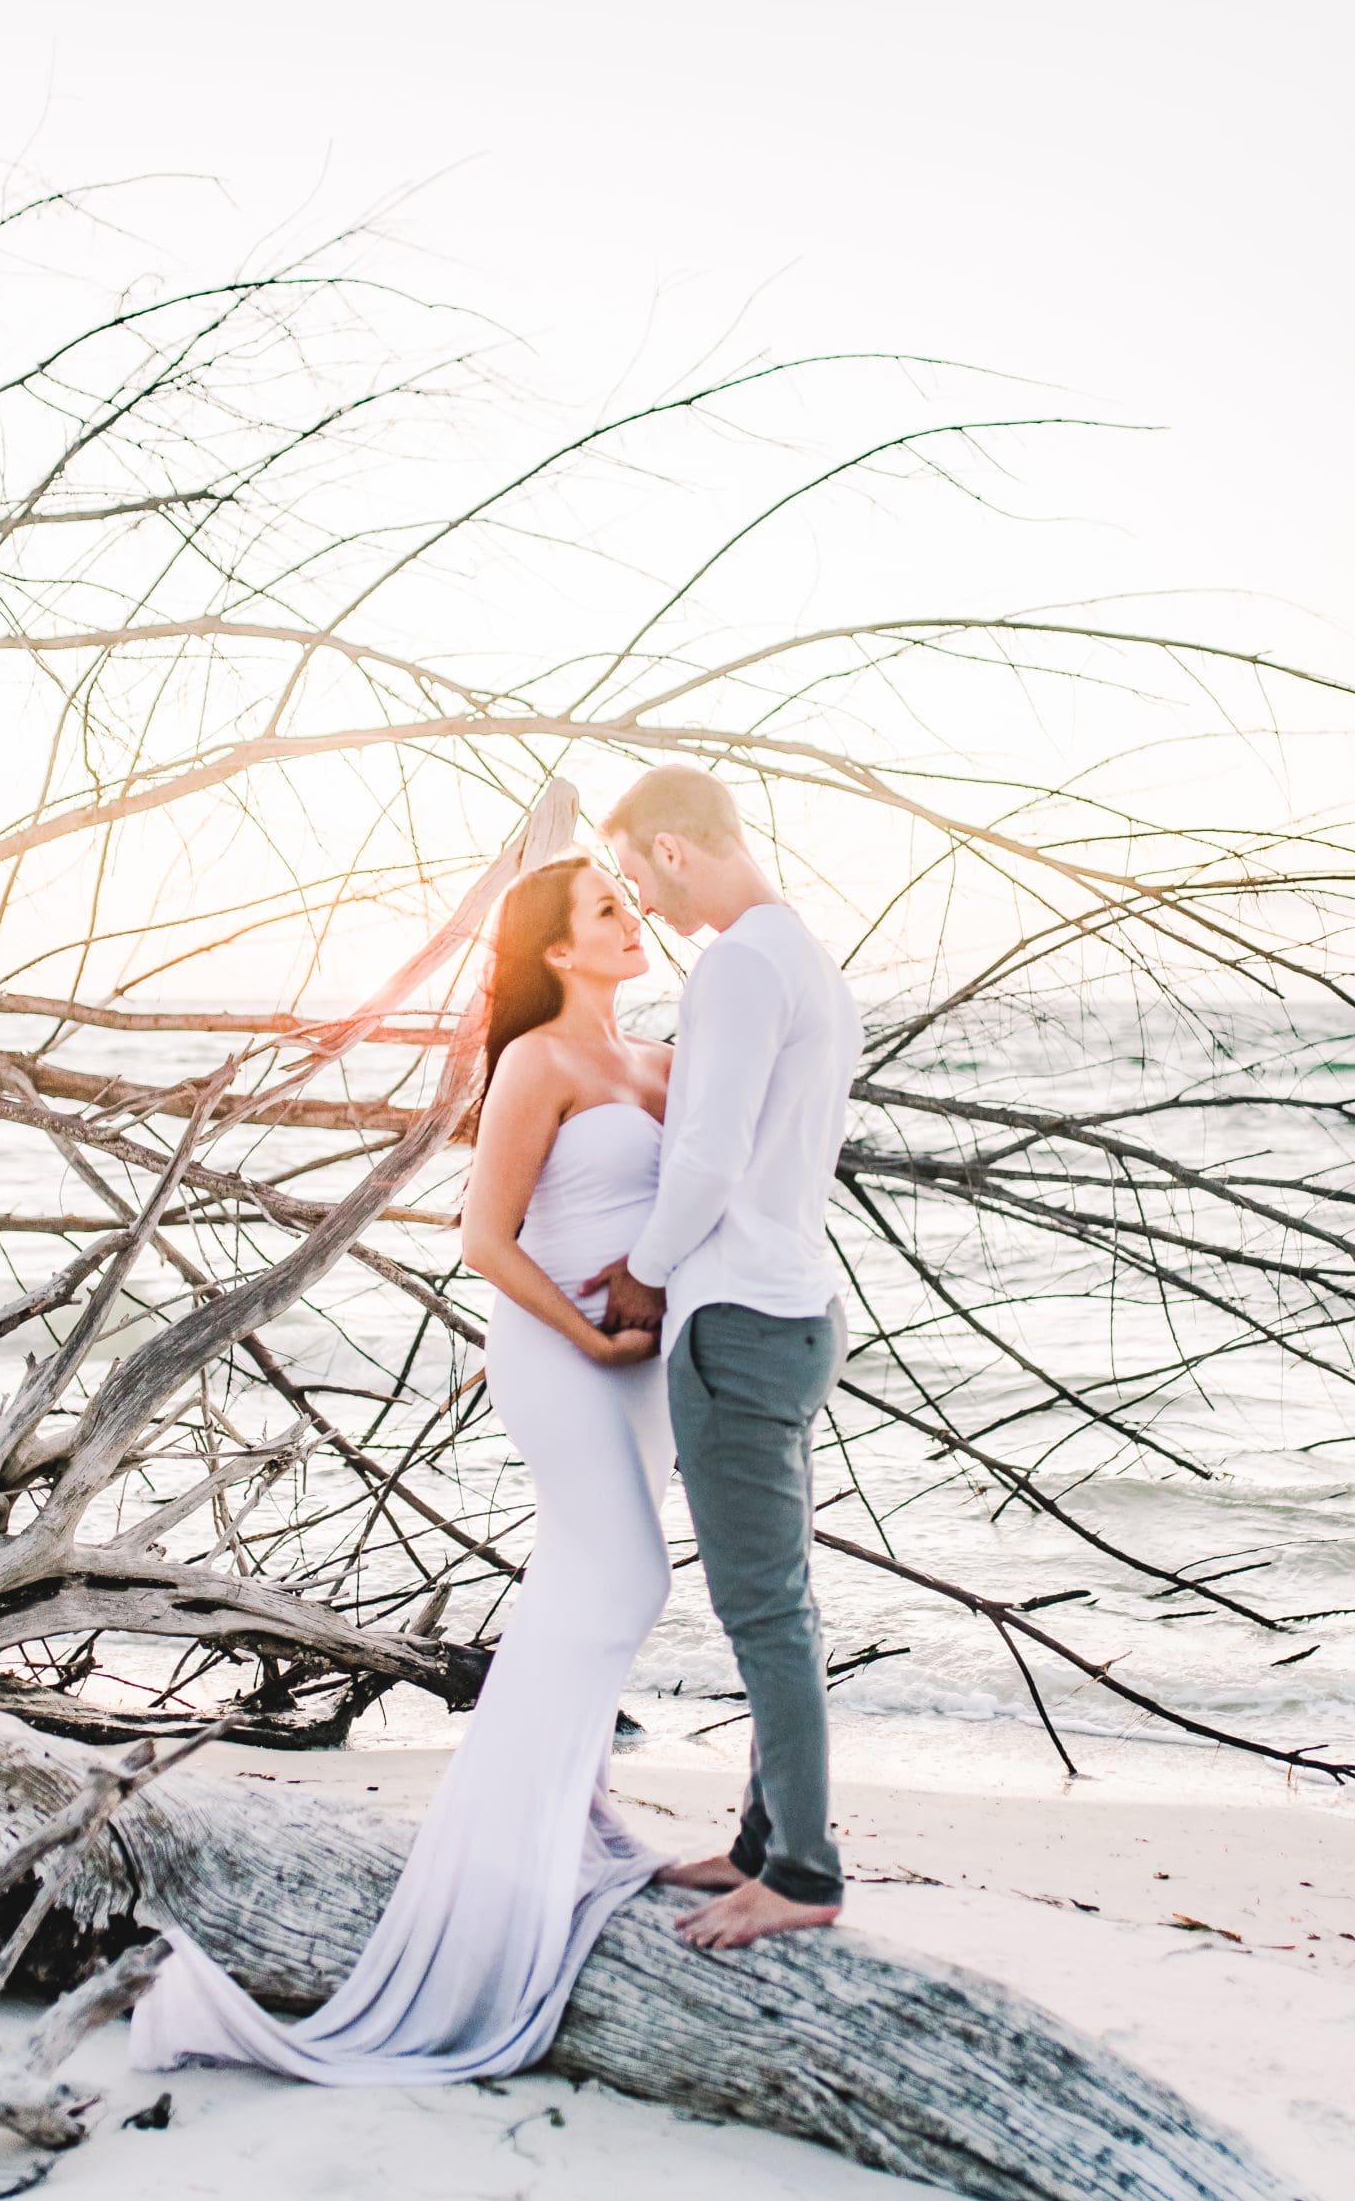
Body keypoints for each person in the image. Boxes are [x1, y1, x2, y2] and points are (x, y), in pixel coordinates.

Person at [129, 855, 677, 2081]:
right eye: (605, 911)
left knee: (583, 1588)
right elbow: (482, 1236)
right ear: (550, 949)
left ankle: (581, 1820)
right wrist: (587, 1333)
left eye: (629, 905)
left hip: (645, 1361)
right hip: (559, 1347)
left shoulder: (660, 1060)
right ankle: (513, 1851)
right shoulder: (537, 1062)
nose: (629, 921)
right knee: (623, 1580)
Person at [587, 763, 863, 1951]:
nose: (641, 904)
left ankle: (800, 1870)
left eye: (637, 876)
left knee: (763, 1612)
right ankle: (759, 1841)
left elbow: (704, 1157)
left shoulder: (740, 964)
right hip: (790, 1306)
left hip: (738, 1321)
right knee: (779, 1599)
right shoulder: (801, 957)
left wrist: (644, 1269)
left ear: (672, 849)